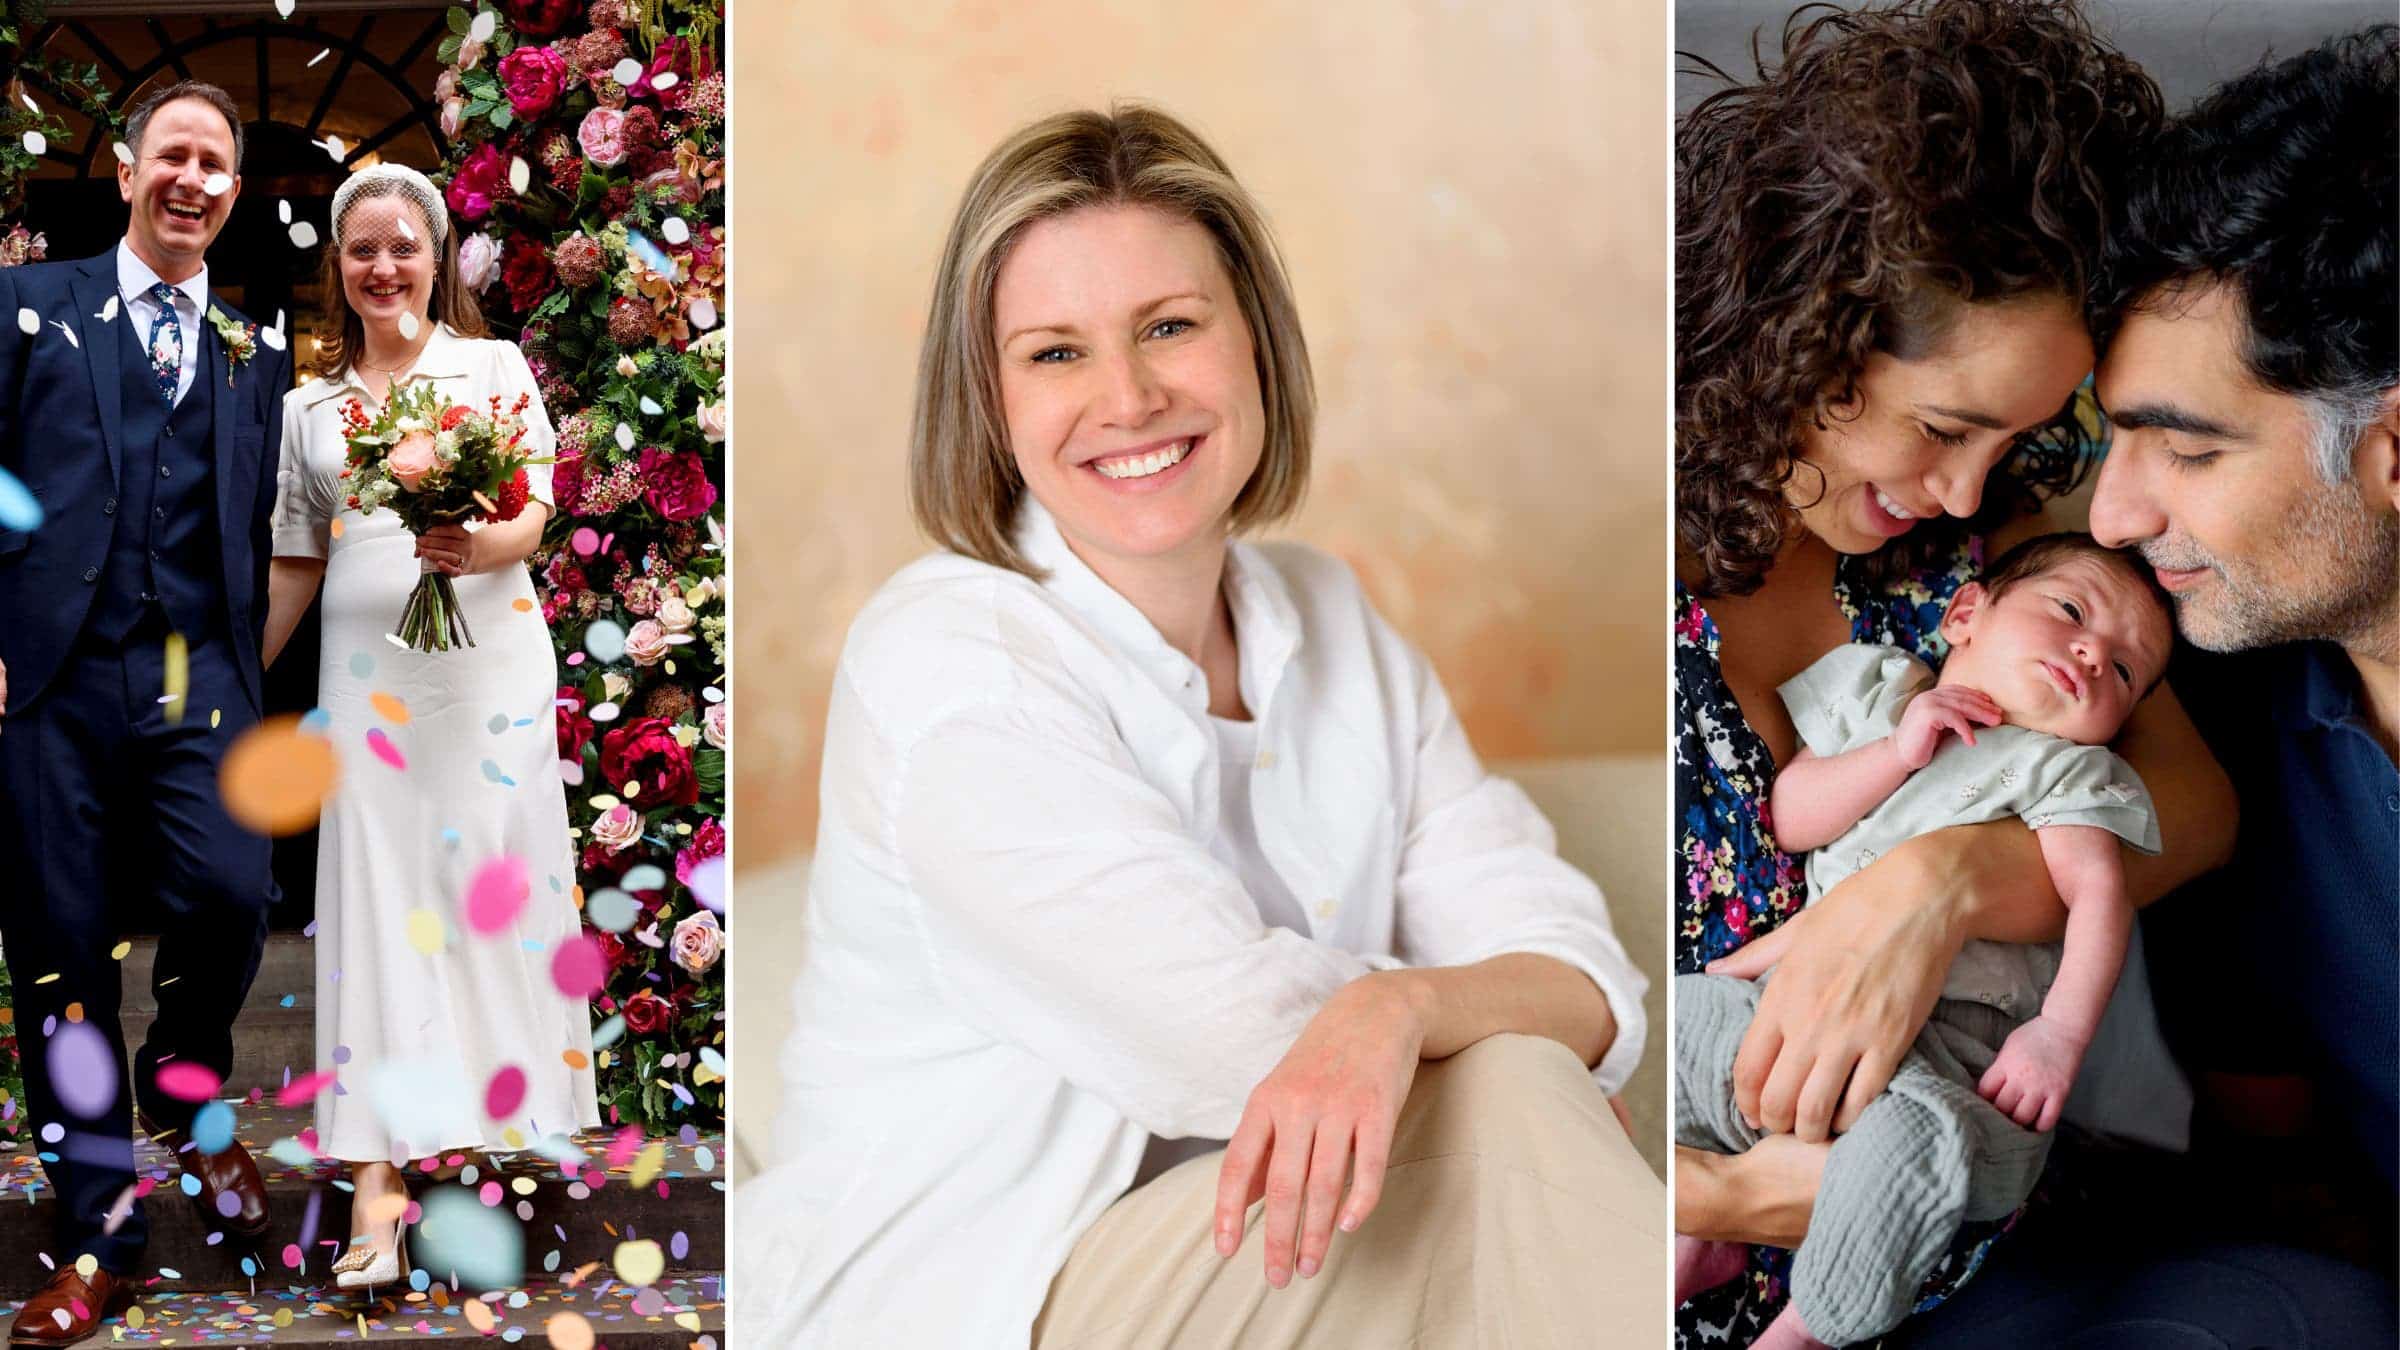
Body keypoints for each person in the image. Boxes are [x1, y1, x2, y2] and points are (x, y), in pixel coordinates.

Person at [733, 104, 1658, 1348]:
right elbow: (1238, 1042)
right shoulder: (948, 661)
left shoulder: (1331, 618)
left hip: (1272, 1250)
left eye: (1170, 326)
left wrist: (1395, 1015)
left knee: (1512, 1086)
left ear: (1256, 344)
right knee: (1504, 1094)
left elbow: (1585, 977)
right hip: (976, 1294)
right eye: (1055, 353)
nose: (1128, 395)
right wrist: (1448, 1012)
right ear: (990, 402)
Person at [1670, 3, 2238, 1343]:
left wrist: (1938, 883)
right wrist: (1741, 1195)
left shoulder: (1983, 552)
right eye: (1944, 428)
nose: (1963, 489)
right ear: (1800, 331)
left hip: (1966, 1208)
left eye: (2024, 436)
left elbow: (2200, 812)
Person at [1877, 25, 2400, 1345]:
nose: (2108, 515)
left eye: (2186, 448)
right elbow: (2275, 1164)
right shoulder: (2219, 708)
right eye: (2117, 442)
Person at [1679, 534, 2174, 1348]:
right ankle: (1699, 1238)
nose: (2092, 652)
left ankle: (1807, 1327)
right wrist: (1895, 753)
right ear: (1967, 613)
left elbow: (2100, 898)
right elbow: (1793, 817)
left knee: (1911, 1153)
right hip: (1797, 1016)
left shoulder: (2064, 773)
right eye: (2071, 612)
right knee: (1692, 1020)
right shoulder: (1881, 697)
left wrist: (2059, 1034)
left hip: (1943, 1068)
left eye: (2123, 671)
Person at [262, 163, 598, 1292]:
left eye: (403, 245)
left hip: (486, 664)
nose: (383, 266)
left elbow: (538, 511)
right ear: (338, 268)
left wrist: (476, 547)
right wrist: (230, 679)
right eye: (362, 249)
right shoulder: (306, 410)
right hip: (368, 674)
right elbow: (297, 557)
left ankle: (489, 1118)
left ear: (436, 255)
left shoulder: (489, 367)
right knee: (376, 898)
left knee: (479, 890)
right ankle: (375, 1183)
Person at [0, 80, 288, 1346]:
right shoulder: (23, 308)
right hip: (50, 680)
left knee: (235, 890)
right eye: (172, 155)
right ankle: (93, 1237)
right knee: (60, 957)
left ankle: (186, 1085)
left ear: (233, 191)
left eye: (215, 165)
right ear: (125, 173)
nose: (193, 180)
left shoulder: (255, 347)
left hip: (199, 680)